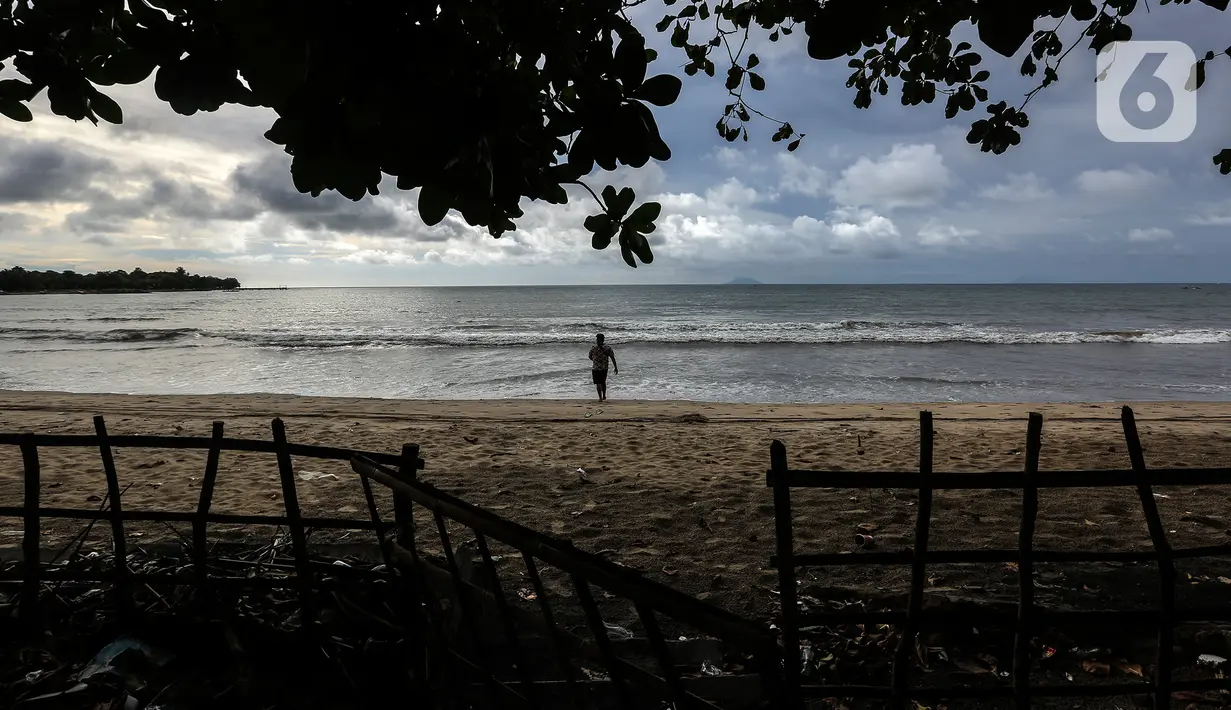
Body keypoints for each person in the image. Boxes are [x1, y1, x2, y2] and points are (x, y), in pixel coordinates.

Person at [588, 333, 617, 401]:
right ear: (603, 339)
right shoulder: (608, 348)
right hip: (604, 368)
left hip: (595, 368)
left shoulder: (593, 348)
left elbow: (589, 356)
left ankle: (600, 398)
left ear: (597, 339)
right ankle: (604, 396)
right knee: (603, 382)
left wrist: (595, 361)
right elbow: (612, 358)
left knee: (598, 383)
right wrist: (615, 367)